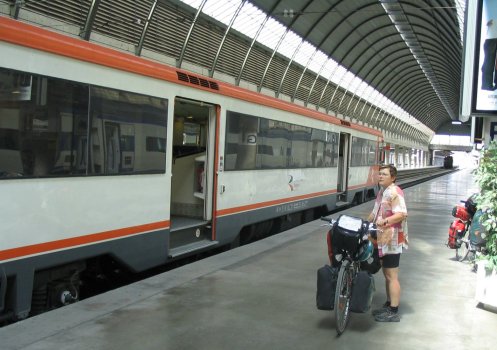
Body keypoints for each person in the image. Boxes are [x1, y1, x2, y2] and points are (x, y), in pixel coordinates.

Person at [367, 164, 408, 322]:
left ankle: (393, 311)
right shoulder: (382, 192)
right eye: (380, 174)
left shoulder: (394, 192)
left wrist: (385, 221)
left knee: (392, 275)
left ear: (393, 177)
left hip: (393, 239)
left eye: (384, 174)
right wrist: (363, 223)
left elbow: (402, 214)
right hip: (383, 238)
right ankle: (389, 303)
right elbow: (374, 212)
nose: (381, 176)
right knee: (387, 274)